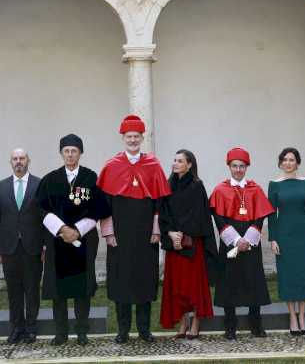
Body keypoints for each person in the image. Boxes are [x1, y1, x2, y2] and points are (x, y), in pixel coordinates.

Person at [98, 114, 171, 344]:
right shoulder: (111, 166)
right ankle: (122, 330)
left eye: (136, 136)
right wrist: (108, 233)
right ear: (123, 138)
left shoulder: (153, 165)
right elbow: (104, 205)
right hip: (119, 236)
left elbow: (160, 204)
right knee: (121, 282)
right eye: (129, 136)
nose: (132, 140)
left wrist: (156, 230)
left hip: (145, 236)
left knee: (144, 281)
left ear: (142, 138)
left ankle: (144, 330)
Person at [37, 134, 111, 346]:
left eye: (74, 151)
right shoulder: (50, 179)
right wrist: (62, 228)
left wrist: (77, 230)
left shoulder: (90, 178)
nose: (70, 154)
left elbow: (100, 207)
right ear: (61, 153)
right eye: (66, 151)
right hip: (57, 240)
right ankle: (61, 333)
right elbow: (41, 208)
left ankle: (81, 332)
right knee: (58, 290)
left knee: (81, 289)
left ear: (80, 153)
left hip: (83, 242)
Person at [210, 147, 274, 341]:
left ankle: (256, 323)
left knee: (253, 281)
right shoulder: (220, 189)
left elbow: (260, 216)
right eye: (235, 166)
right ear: (229, 166)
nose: (238, 170)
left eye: (242, 166)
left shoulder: (255, 189)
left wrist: (248, 239)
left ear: (247, 167)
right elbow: (218, 218)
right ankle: (230, 326)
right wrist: (237, 240)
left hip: (250, 240)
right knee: (229, 282)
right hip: (230, 241)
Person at [159, 149, 218, 339]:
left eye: (180, 161)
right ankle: (183, 321)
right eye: (174, 160)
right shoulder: (168, 186)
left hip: (193, 244)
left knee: (193, 286)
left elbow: (199, 216)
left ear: (190, 164)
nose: (175, 164)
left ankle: (195, 323)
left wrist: (182, 234)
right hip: (174, 245)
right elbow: (164, 213)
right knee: (178, 286)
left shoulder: (196, 186)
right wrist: (171, 234)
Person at [267, 147, 305, 336]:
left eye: (292, 160)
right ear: (280, 163)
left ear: (297, 162)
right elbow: (271, 215)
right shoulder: (274, 184)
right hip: (284, 235)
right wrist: (272, 238)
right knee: (288, 276)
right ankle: (292, 317)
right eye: (285, 160)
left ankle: (303, 317)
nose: (288, 163)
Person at [0, 148, 43, 344]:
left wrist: (45, 247)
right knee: (13, 290)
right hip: (8, 247)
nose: (18, 161)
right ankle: (16, 328)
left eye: (22, 158)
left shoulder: (39, 184)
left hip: (33, 246)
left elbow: (44, 217)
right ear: (10, 162)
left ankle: (30, 328)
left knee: (31, 289)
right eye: (15, 158)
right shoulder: (1, 186)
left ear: (28, 160)